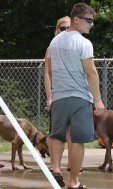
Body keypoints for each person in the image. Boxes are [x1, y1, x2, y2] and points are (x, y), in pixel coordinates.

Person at [46, 3, 105, 189]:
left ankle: (55, 167)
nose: (91, 24)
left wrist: (55, 92)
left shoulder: (54, 42)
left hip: (59, 97)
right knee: (78, 139)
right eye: (88, 20)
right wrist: (98, 100)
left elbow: (50, 71)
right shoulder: (83, 43)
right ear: (76, 20)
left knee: (57, 135)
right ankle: (73, 181)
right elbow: (91, 73)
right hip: (80, 97)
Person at [44, 16, 71, 171]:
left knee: (73, 133)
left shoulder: (77, 46)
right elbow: (47, 73)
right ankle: (55, 165)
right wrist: (49, 97)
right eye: (62, 28)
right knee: (56, 132)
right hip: (58, 94)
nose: (66, 31)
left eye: (68, 28)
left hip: (75, 94)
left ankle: (73, 164)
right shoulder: (52, 48)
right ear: (57, 30)